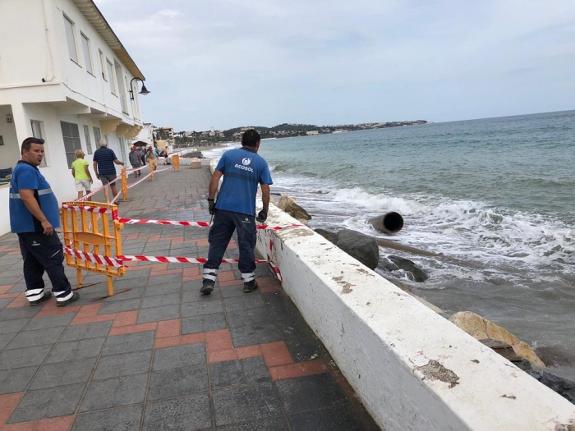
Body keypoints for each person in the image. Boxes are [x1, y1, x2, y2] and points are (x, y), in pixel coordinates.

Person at [201, 129, 273, 295]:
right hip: (245, 212)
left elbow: (215, 178)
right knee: (246, 245)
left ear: (242, 141)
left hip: (223, 209)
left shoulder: (228, 155)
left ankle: (208, 280)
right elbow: (265, 189)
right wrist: (265, 210)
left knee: (217, 242)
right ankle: (248, 282)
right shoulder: (261, 163)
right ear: (258, 144)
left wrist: (211, 201)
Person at [9, 137, 79, 306]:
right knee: (53, 256)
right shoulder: (26, 170)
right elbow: (27, 196)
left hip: (26, 227)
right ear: (25, 152)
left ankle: (35, 293)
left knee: (32, 259)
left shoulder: (23, 168)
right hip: (35, 226)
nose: (40, 154)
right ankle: (64, 294)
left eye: (42, 151)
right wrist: (44, 221)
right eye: (36, 151)